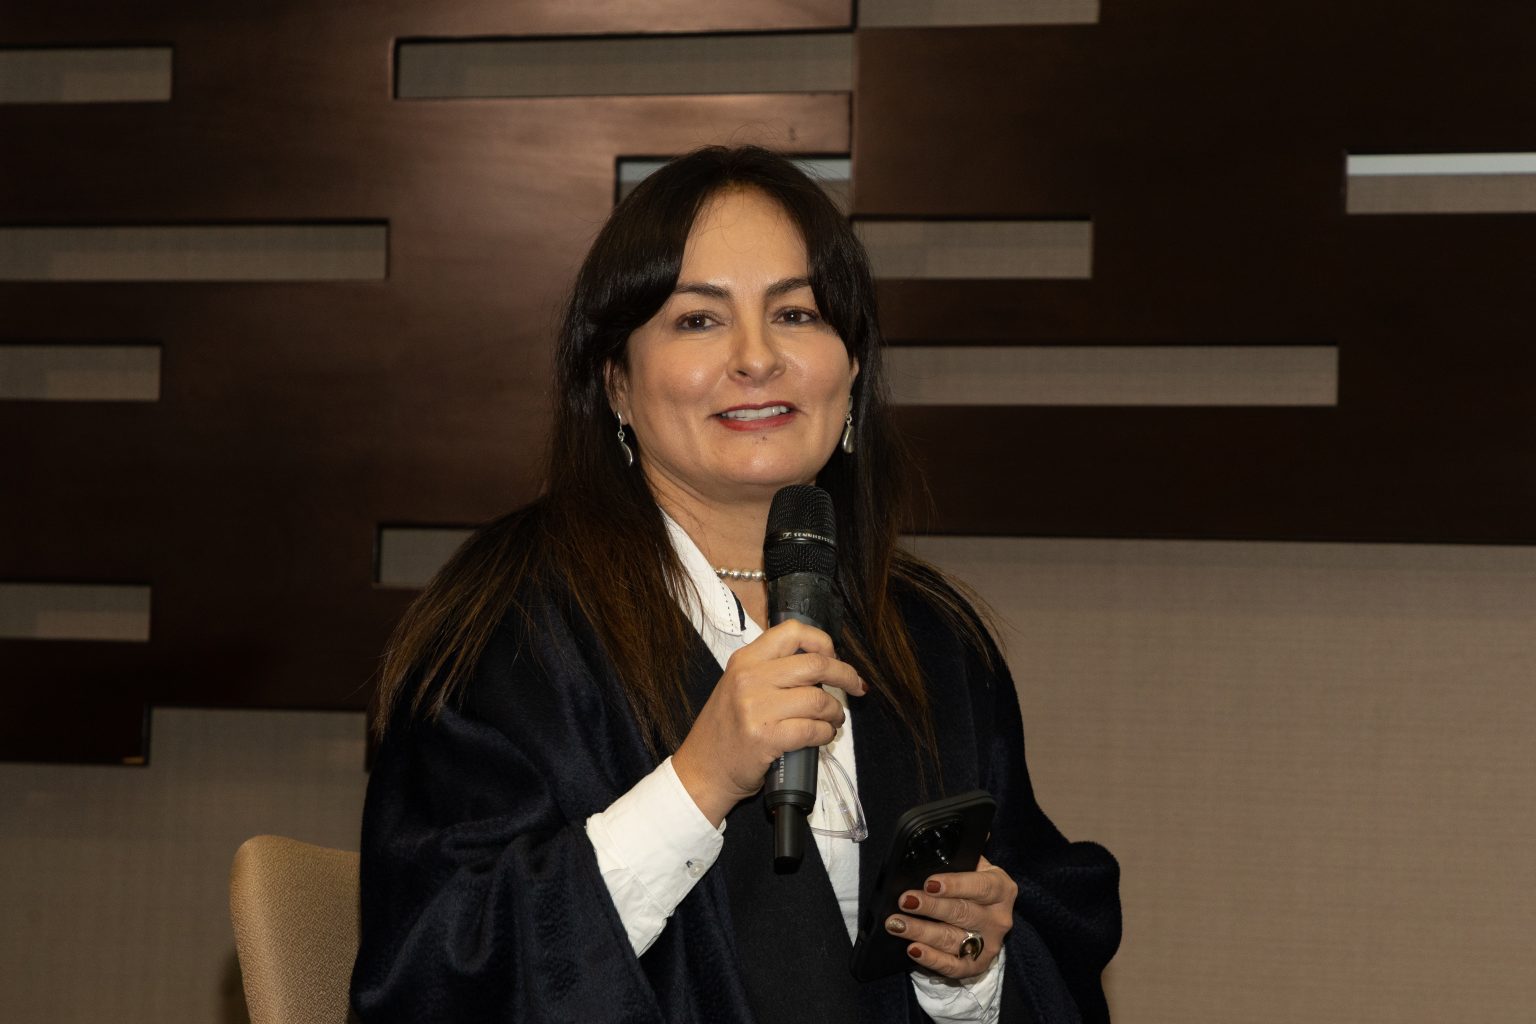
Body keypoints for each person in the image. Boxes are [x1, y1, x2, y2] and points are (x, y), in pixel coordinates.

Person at [350, 146, 1120, 1023]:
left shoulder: (933, 640)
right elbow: (433, 969)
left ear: (853, 369)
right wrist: (697, 783)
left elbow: (1051, 927)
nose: (757, 359)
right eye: (698, 320)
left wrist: (972, 975)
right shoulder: (508, 630)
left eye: (795, 313)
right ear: (616, 383)